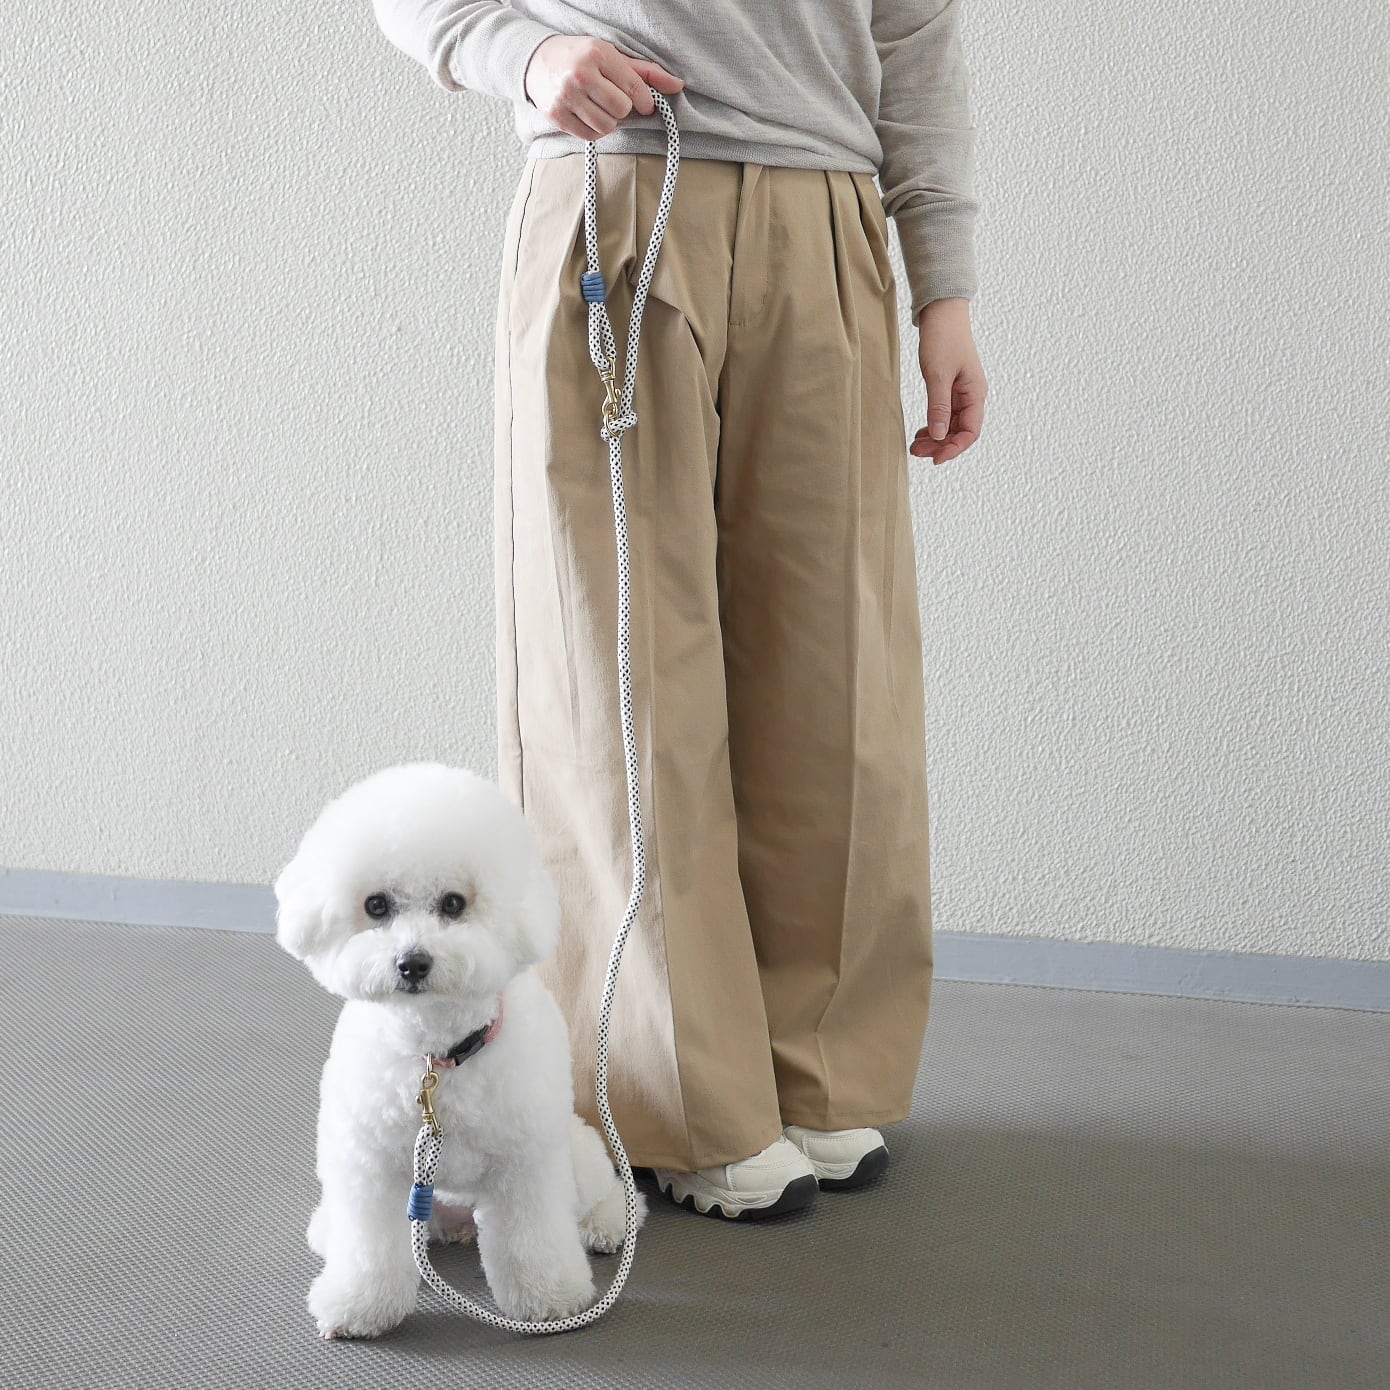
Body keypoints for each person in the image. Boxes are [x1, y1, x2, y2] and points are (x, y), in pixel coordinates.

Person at [371, 0, 989, 1221]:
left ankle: (815, 1067)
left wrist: (944, 287)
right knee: (624, 674)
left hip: (826, 213)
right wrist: (528, 54)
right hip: (617, 189)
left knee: (836, 668)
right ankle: (673, 1096)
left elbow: (912, 32)